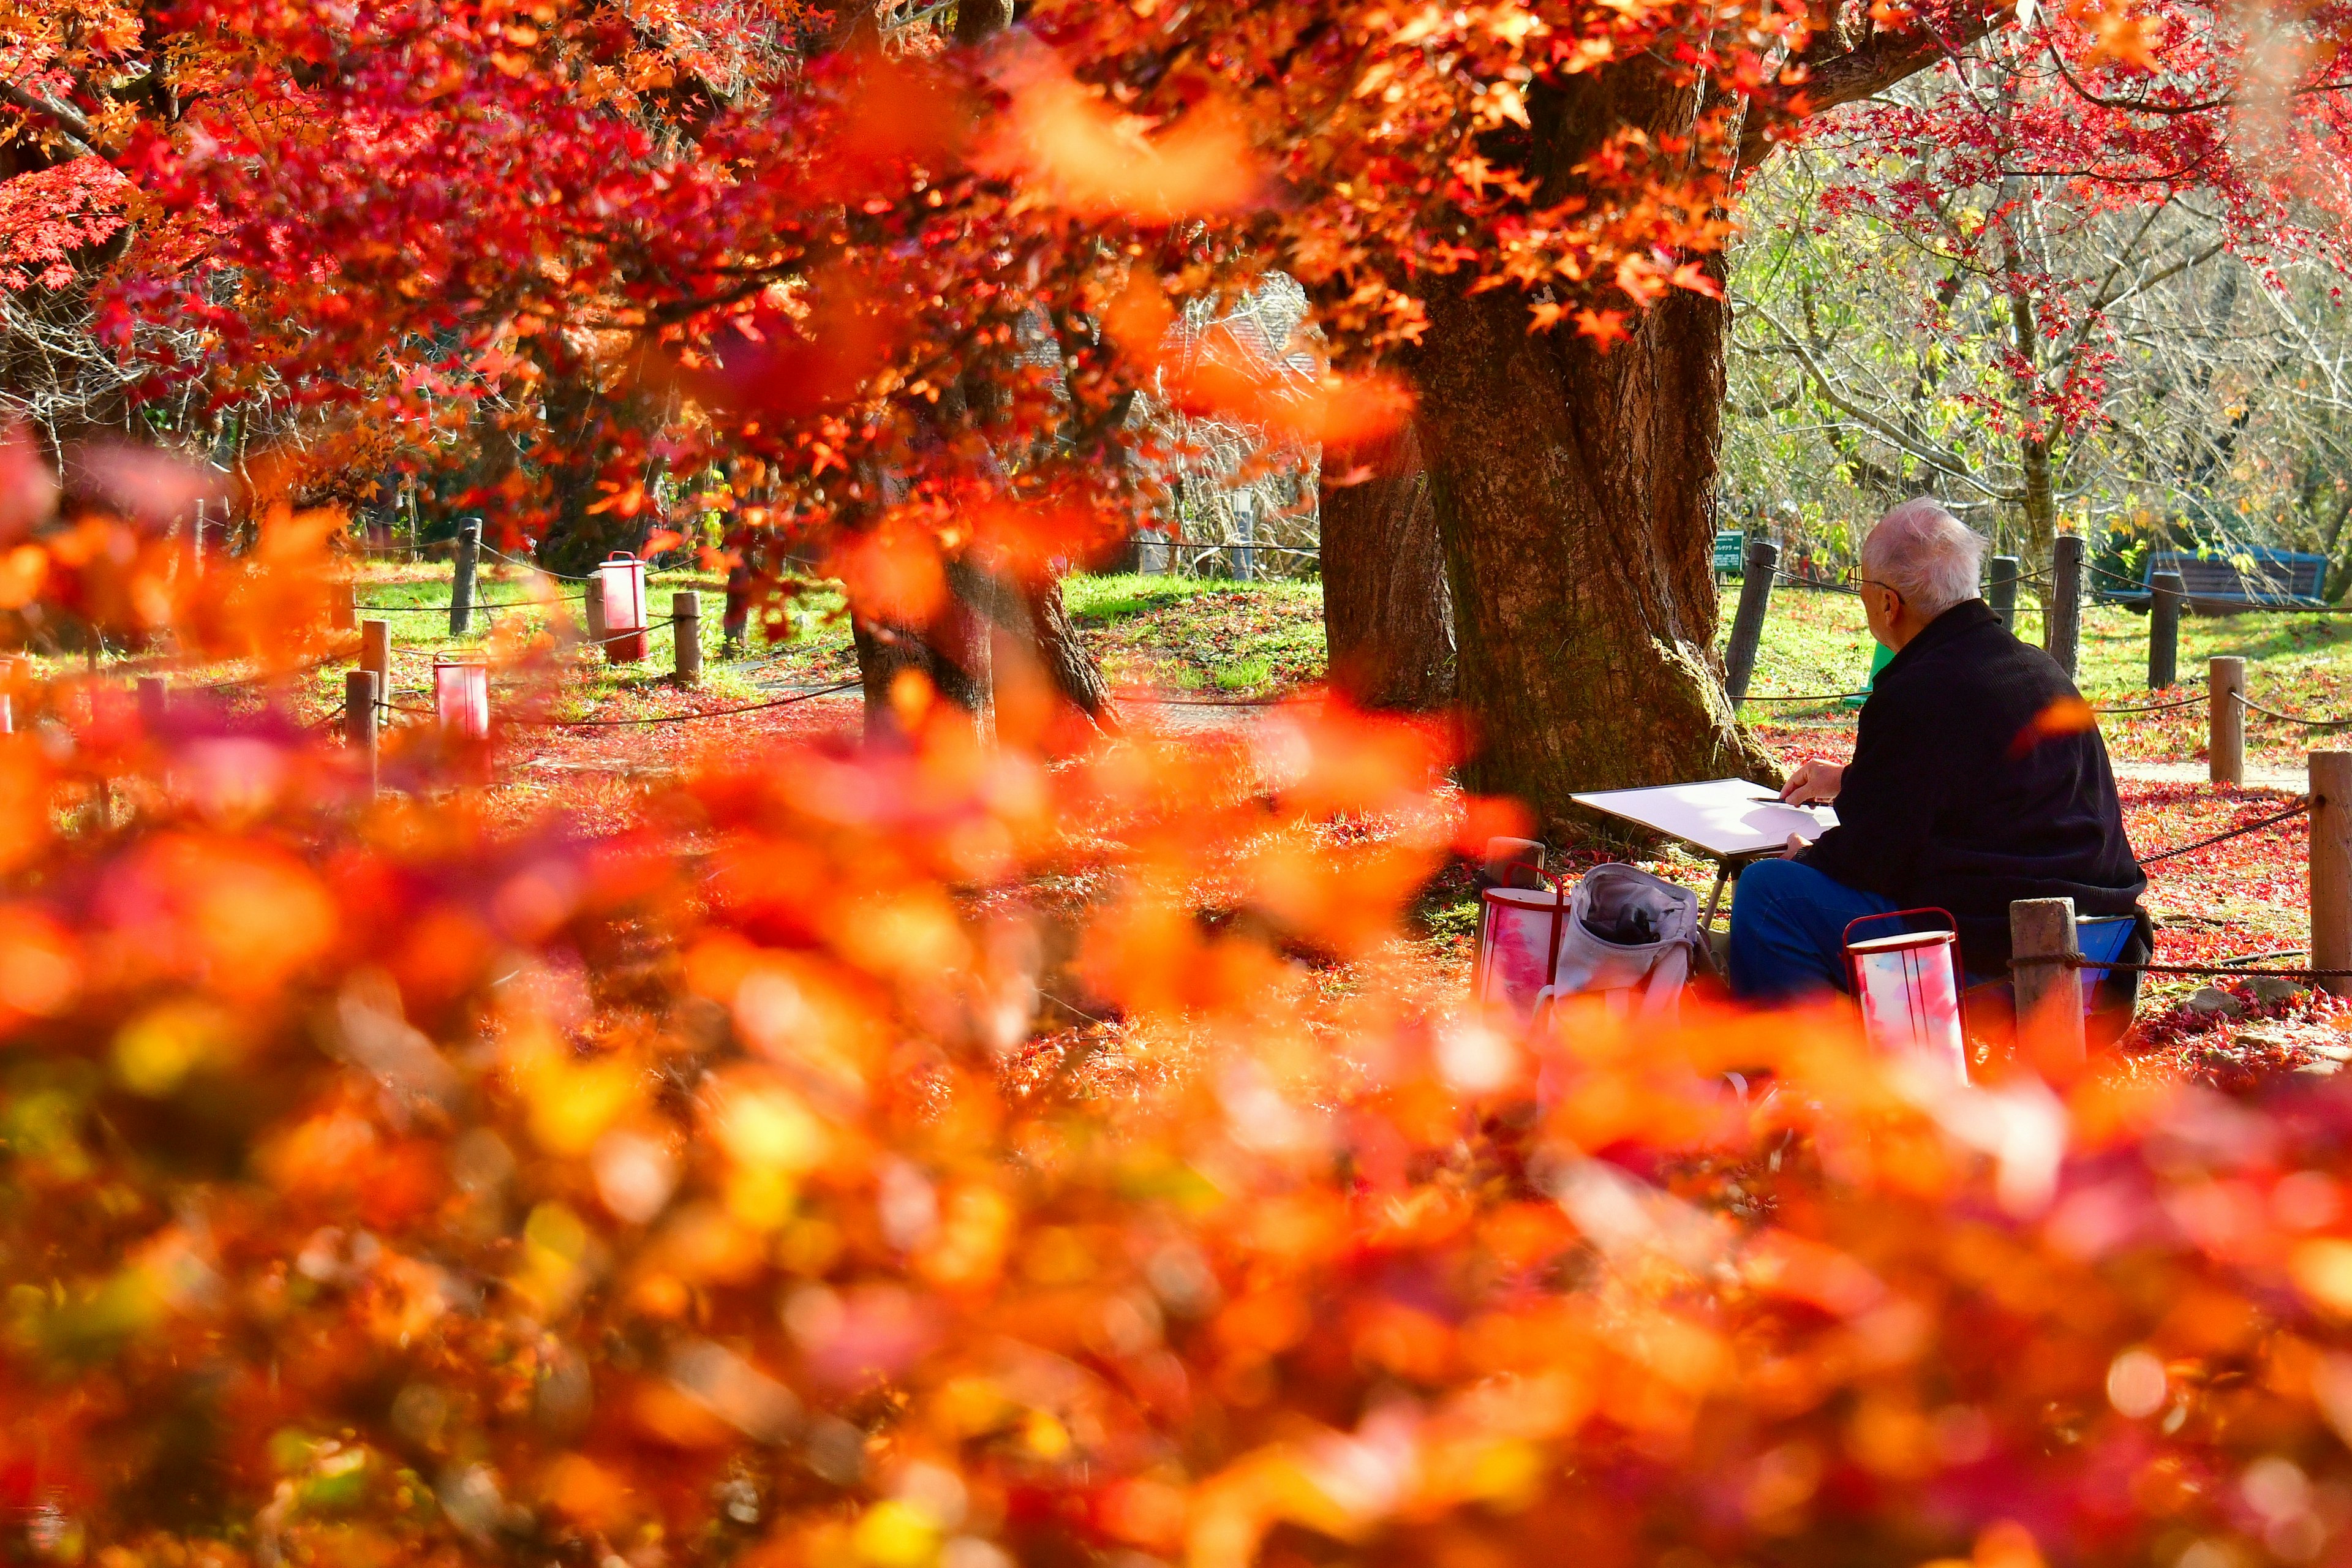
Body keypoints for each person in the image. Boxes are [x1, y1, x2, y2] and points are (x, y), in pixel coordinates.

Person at [1727, 498, 2147, 1000]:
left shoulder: (1918, 692)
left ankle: (1815, 1063)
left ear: (1888, 602)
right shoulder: (2038, 670)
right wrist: (1848, 781)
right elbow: (1975, 784)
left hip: (1994, 956)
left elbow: (1871, 858)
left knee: (1770, 892)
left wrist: (1810, 859)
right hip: (2104, 947)